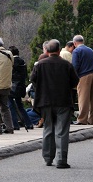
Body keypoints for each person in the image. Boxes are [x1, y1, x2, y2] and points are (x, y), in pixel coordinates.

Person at [30, 39, 79, 168]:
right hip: (63, 100)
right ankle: (61, 160)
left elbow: (33, 80)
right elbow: (75, 82)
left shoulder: (40, 65)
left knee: (48, 128)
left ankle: (48, 158)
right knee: (62, 130)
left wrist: (41, 88)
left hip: (45, 101)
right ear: (58, 50)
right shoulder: (66, 65)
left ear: (47, 51)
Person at [71, 35, 93, 125]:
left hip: (84, 75)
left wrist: (73, 78)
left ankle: (82, 119)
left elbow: (75, 66)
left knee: (83, 97)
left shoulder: (76, 51)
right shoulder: (90, 50)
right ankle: (92, 119)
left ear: (75, 43)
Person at [7, 46, 33, 130]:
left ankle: (15, 124)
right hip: (20, 86)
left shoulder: (11, 62)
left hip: (12, 86)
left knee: (10, 105)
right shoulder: (22, 62)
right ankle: (29, 123)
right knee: (20, 106)